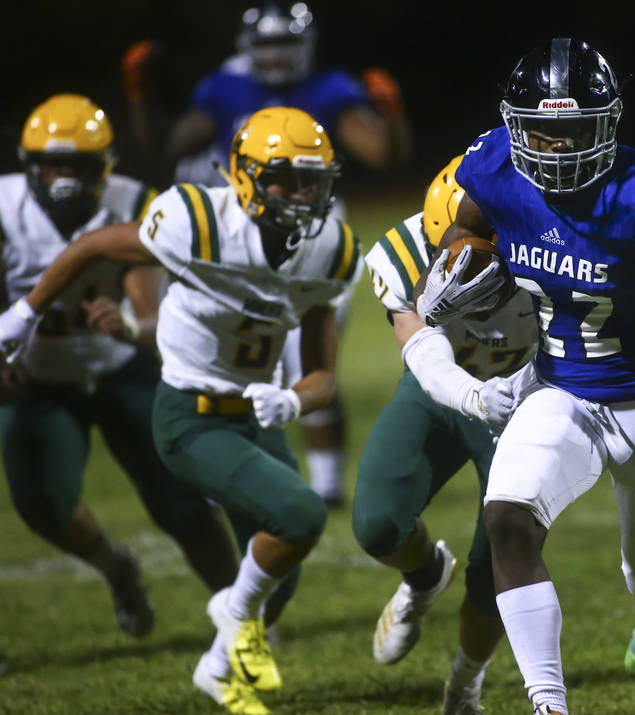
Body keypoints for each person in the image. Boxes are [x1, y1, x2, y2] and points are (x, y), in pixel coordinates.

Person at [415, 38, 635, 715]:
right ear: (515, 128)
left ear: (605, 125)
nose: (553, 147)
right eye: (540, 131)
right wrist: (448, 279)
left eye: (571, 130)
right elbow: (464, 238)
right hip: (560, 388)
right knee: (508, 520)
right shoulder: (494, 172)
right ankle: (549, 703)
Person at [0, 106, 356, 715]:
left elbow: (324, 375)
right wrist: (24, 314)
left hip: (253, 412)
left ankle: (220, 665)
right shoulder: (194, 219)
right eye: (284, 179)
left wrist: (293, 397)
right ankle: (228, 616)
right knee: (299, 513)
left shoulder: (329, 247)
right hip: (189, 413)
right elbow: (92, 247)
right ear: (244, 176)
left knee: (281, 581)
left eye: (312, 182)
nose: (300, 195)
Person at [121, 0, 405, 506]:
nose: (275, 57)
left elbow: (383, 153)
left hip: (315, 233)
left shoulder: (330, 89)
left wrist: (392, 117)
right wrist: (140, 98)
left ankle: (328, 484)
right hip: (249, 230)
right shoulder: (225, 89)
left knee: (309, 358)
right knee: (236, 352)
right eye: (267, 45)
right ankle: (232, 467)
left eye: (285, 44)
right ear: (249, 48)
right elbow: (164, 147)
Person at [0, 93, 240, 638]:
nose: (62, 178)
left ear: (103, 167)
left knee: (182, 502)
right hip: (39, 380)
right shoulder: (4, 208)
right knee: (41, 503)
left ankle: (241, 616)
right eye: (51, 165)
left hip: (121, 369)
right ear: (28, 166)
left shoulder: (135, 202)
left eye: (76, 166)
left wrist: (129, 325)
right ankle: (117, 567)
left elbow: (154, 317)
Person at [354, 154, 538, 714]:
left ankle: (465, 685)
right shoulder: (401, 252)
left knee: (497, 570)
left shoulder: (546, 245)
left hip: (523, 401)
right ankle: (424, 573)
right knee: (377, 524)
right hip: (442, 392)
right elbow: (423, 352)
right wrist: (472, 396)